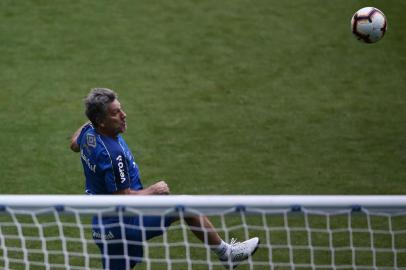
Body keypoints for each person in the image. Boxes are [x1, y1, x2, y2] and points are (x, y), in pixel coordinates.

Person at [70, 88, 259, 269]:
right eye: (115, 113)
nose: (124, 115)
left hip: (104, 227)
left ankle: (227, 254)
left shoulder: (89, 133)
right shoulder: (113, 154)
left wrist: (92, 120)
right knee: (186, 206)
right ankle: (227, 253)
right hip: (125, 225)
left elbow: (73, 144)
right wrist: (152, 191)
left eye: (121, 109)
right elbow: (122, 197)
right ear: (102, 121)